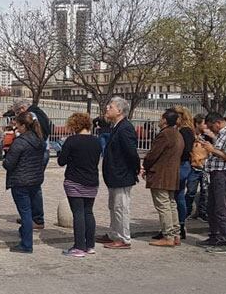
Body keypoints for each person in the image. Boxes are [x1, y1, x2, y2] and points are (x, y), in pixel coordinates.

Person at [96, 97, 140, 250]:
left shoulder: (125, 128)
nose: (107, 109)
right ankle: (114, 233)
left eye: (111, 107)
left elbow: (131, 153)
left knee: (121, 208)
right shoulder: (116, 126)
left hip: (122, 175)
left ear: (119, 111)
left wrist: (135, 169)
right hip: (114, 175)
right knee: (113, 207)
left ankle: (123, 238)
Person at [58, 113, 102, 257]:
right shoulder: (96, 141)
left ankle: (79, 246)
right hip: (92, 180)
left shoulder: (72, 141)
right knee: (88, 212)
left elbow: (61, 161)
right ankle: (90, 245)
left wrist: (64, 152)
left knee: (78, 213)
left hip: (75, 180)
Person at [197, 112, 226, 254]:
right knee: (213, 207)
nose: (212, 130)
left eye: (212, 127)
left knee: (223, 208)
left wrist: (213, 150)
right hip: (216, 174)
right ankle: (215, 235)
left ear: (217, 122)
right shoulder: (222, 134)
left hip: (224, 174)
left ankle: (225, 240)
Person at [3, 111, 46, 254]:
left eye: (17, 125)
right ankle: (24, 232)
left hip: (20, 181)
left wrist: (6, 155)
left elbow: (9, 164)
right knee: (29, 211)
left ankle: (26, 244)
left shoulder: (20, 142)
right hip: (34, 179)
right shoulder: (39, 140)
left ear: (23, 126)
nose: (16, 128)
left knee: (25, 213)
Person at [143, 109, 184, 247]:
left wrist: (146, 166)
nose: (159, 121)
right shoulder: (178, 134)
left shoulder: (165, 135)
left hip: (161, 174)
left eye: (161, 118)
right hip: (172, 174)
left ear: (165, 120)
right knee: (171, 204)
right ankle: (176, 233)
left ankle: (168, 235)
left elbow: (153, 154)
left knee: (164, 206)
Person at [173, 106, 196, 239]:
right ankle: (179, 224)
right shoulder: (184, 130)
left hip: (182, 164)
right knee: (179, 195)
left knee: (177, 195)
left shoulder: (185, 131)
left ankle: (180, 224)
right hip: (182, 164)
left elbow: (186, 149)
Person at [187, 114, 211, 222]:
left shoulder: (208, 136)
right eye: (204, 124)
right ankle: (187, 211)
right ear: (197, 124)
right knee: (191, 191)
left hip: (205, 167)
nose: (206, 126)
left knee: (205, 191)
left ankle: (203, 212)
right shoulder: (191, 136)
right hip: (194, 167)